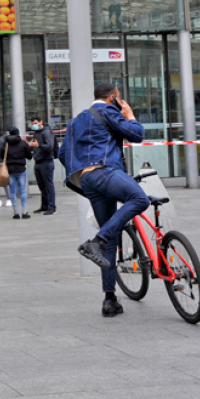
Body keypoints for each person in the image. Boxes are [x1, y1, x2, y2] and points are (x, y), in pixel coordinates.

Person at [59, 83, 148, 318]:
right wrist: (129, 115)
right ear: (113, 98)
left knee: (111, 239)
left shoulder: (75, 121)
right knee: (140, 199)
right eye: (118, 98)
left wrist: (80, 170)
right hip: (106, 171)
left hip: (87, 179)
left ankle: (109, 300)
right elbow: (137, 134)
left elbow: (61, 154)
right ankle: (95, 241)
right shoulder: (109, 111)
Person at [29, 116, 57, 215]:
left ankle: (51, 207)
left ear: (41, 122)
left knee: (48, 185)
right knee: (42, 185)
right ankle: (44, 206)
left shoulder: (46, 132)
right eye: (33, 123)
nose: (34, 125)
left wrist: (37, 145)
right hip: (38, 161)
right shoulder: (36, 133)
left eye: (36, 123)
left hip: (46, 161)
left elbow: (49, 146)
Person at [3, 128, 31, 219]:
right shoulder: (23, 143)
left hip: (10, 170)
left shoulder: (6, 144)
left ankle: (16, 213)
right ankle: (24, 212)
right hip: (21, 169)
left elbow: (1, 155)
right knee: (22, 191)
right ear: (18, 133)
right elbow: (29, 156)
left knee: (13, 192)